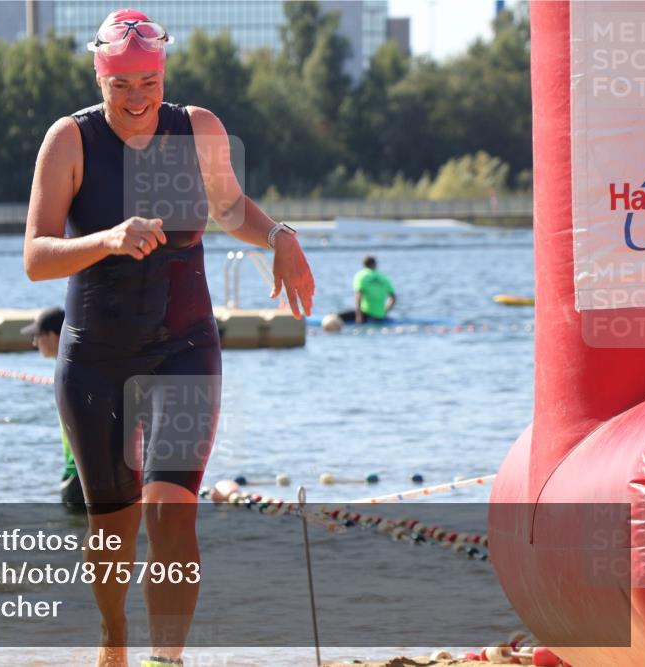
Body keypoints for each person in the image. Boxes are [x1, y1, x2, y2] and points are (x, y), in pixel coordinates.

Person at [23, 9, 314, 667]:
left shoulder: (197, 128)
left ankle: (166, 659)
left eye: (147, 83)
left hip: (184, 347)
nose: (136, 99)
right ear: (99, 78)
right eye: (120, 85)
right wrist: (107, 239)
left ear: (163, 75)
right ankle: (113, 636)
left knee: (170, 512)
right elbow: (36, 257)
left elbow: (230, 207)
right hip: (95, 358)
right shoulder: (70, 140)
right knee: (114, 528)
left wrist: (278, 235)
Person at [20, 306, 85, 511]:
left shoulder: (73, 372)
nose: (34, 343)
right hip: (77, 470)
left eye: (37, 336)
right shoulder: (69, 368)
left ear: (54, 336)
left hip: (81, 473)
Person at [338, 255, 396, 324]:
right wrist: (385, 312)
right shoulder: (384, 278)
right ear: (375, 264)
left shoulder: (361, 275)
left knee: (333, 316)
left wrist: (358, 316)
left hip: (365, 314)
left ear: (363, 264)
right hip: (380, 316)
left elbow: (358, 295)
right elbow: (393, 298)